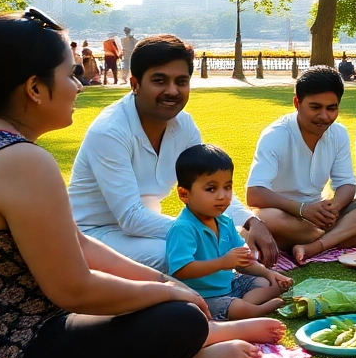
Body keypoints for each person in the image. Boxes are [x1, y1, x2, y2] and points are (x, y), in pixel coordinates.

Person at [0, 11, 283, 358]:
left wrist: (165, 284)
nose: (79, 85)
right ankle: (198, 343)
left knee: (173, 301)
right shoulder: (20, 159)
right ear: (35, 89)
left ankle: (201, 334)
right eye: (70, 74)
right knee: (180, 319)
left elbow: (76, 242)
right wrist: (164, 293)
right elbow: (73, 289)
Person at [69, 34, 280, 270]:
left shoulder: (183, 125)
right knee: (181, 256)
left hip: (146, 232)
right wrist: (209, 233)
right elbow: (130, 217)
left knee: (215, 250)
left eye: (181, 81)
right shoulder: (110, 131)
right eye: (160, 81)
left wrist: (252, 221)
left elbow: (210, 182)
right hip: (92, 236)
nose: (172, 91)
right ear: (135, 84)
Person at [246, 66, 356, 263]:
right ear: (297, 102)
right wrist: (302, 209)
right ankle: (343, 237)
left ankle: (315, 243)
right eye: (315, 107)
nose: (324, 116)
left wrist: (334, 207)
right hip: (285, 215)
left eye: (331, 108)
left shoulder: (338, 133)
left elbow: (346, 184)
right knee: (267, 218)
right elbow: (254, 193)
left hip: (321, 214)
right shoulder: (276, 135)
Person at [167, 145, 294, 320]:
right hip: (203, 296)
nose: (222, 196)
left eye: (227, 187)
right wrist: (222, 263)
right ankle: (253, 310)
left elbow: (242, 261)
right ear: (184, 194)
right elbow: (181, 270)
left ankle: (246, 306)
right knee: (233, 307)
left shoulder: (225, 221)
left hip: (229, 284)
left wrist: (267, 273)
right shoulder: (184, 228)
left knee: (269, 283)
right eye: (211, 189)